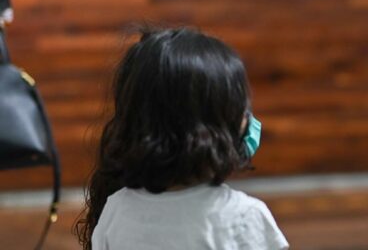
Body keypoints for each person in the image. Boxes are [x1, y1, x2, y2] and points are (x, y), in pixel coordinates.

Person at [74, 27, 289, 250]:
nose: (248, 118)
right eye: (242, 108)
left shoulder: (115, 211)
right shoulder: (245, 218)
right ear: (214, 129)